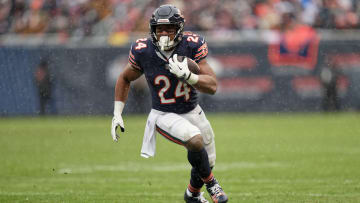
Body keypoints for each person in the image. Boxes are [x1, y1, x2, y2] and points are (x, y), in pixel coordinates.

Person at [110, 4, 228, 203]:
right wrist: (117, 113)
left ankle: (192, 195)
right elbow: (124, 78)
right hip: (163, 114)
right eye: (159, 29)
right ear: (152, 30)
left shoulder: (191, 45)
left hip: (192, 110)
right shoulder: (143, 50)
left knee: (208, 158)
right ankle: (212, 184)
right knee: (195, 140)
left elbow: (213, 85)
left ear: (179, 29)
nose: (164, 33)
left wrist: (190, 77)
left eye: (169, 29)